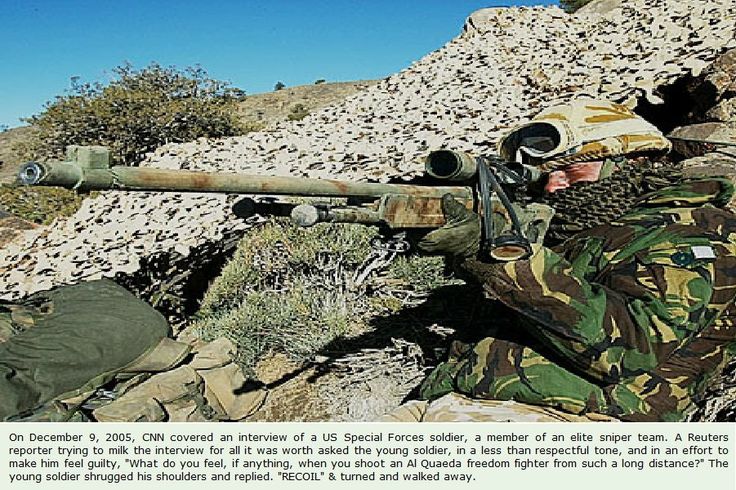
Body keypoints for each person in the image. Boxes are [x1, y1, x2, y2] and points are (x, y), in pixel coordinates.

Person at [417, 99, 736, 422]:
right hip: (465, 395)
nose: (552, 186)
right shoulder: (581, 231)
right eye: (542, 177)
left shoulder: (693, 232)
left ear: (630, 162)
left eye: (569, 169)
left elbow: (630, 349)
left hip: (586, 414)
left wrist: (497, 259)